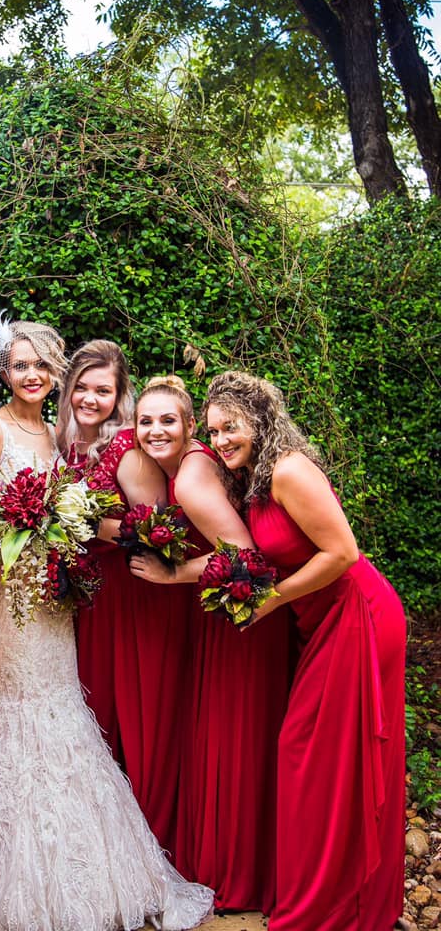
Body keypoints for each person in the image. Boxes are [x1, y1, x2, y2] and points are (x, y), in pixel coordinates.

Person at [0, 322, 214, 931]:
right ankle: (5, 882)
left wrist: (60, 536)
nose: (32, 376)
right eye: (20, 367)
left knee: (61, 708)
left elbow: (118, 520)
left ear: (54, 375)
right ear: (6, 373)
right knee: (7, 714)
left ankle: (91, 874)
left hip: (51, 599)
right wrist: (10, 545)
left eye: (43, 366)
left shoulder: (54, 438)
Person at [202, 370, 406, 931]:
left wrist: (271, 601)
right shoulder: (256, 479)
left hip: (359, 615)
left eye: (231, 427)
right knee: (323, 757)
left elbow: (342, 552)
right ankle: (341, 894)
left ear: (260, 421)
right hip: (320, 621)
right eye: (214, 430)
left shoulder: (290, 470)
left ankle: (337, 906)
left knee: (314, 753)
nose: (220, 441)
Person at [130, 376, 292, 914]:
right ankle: (236, 864)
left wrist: (171, 574)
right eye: (145, 421)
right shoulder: (190, 463)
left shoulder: (190, 480)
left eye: (167, 421)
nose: (155, 431)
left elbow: (247, 555)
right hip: (223, 612)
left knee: (233, 737)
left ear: (188, 426)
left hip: (243, 618)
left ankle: (236, 875)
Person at [57, 339, 189, 854]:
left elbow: (157, 532)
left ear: (120, 395)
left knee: (138, 709)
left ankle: (149, 839)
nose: (91, 398)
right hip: (93, 600)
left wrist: (77, 520)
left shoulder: (128, 449)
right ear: (68, 390)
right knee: (98, 709)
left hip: (134, 597)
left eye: (103, 390)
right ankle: (105, 837)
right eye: (82, 388)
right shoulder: (66, 445)